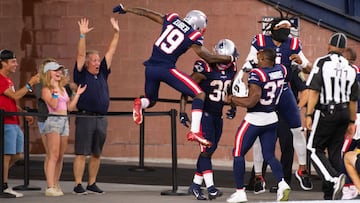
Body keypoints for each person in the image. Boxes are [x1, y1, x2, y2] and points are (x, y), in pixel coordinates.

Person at [113, 4, 235, 147]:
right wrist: (229, 59)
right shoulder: (192, 35)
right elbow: (208, 57)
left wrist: (127, 8)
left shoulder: (172, 19)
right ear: (198, 26)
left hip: (150, 68)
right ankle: (195, 131)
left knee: (151, 100)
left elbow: (147, 12)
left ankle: (140, 103)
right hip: (166, 69)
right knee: (199, 94)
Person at [234, 14, 313, 192]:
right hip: (263, 90)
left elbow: (309, 67)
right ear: (273, 29)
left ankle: (302, 169)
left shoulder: (293, 44)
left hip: (283, 89)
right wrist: (241, 78)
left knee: (296, 130)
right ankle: (258, 176)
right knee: (258, 134)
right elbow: (248, 62)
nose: (286, 31)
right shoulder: (260, 41)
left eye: (288, 27)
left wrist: (301, 63)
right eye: (283, 27)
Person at [226, 48, 290, 203]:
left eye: (258, 56)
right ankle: (282, 184)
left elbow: (251, 101)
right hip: (272, 118)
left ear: (262, 58)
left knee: (238, 153)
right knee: (269, 155)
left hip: (255, 119)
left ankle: (240, 192)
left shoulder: (257, 74)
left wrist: (232, 99)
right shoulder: (282, 70)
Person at [180, 39, 238, 200]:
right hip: (204, 114)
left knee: (209, 151)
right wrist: (182, 111)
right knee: (206, 151)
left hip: (217, 115)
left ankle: (195, 185)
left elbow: (230, 88)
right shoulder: (203, 67)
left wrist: (233, 106)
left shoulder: (233, 68)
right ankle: (211, 188)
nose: (232, 60)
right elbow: (186, 87)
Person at [305, 32, 358, 200]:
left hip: (327, 111)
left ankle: (333, 180)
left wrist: (308, 114)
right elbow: (353, 99)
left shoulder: (322, 62)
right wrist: (351, 120)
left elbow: (314, 91)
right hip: (344, 113)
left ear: (329, 46)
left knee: (313, 149)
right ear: (343, 49)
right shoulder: (350, 68)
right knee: (334, 153)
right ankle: (331, 194)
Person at [72, 17, 119, 195]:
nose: (98, 62)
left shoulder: (103, 74)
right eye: (94, 60)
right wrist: (82, 36)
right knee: (81, 153)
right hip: (85, 116)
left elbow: (112, 51)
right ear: (87, 63)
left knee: (96, 153)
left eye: (98, 60)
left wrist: (116, 33)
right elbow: (80, 55)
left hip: (101, 117)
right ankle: (78, 184)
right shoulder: (81, 74)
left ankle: (92, 182)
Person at [41, 60, 86, 196]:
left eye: (60, 71)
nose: (59, 73)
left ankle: (55, 183)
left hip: (64, 121)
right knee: (53, 155)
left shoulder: (62, 88)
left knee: (60, 156)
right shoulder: (46, 89)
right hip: (53, 120)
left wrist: (77, 94)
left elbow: (70, 107)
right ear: (49, 73)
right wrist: (54, 91)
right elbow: (54, 105)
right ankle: (49, 187)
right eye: (56, 71)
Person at [0, 49, 40, 197]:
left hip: (14, 121)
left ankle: (2, 180)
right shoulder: (0, 79)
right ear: (3, 63)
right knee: (7, 154)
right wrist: (30, 84)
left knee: (17, 155)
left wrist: (22, 112)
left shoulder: (8, 80)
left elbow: (11, 100)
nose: (16, 64)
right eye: (13, 61)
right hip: (6, 122)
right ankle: (3, 186)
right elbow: (16, 95)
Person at [340, 47, 360, 199]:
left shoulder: (344, 71)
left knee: (345, 152)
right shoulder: (356, 71)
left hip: (354, 117)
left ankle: (349, 186)